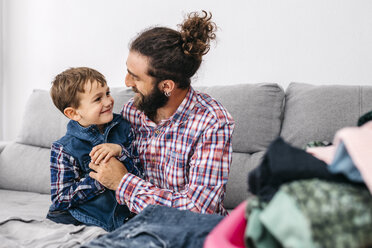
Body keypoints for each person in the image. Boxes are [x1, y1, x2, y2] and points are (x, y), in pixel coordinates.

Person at [89, 10, 235, 216]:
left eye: (136, 77)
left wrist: (123, 183)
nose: (127, 83)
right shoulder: (133, 110)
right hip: (136, 226)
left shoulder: (213, 122)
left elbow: (199, 209)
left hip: (189, 233)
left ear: (166, 86)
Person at [46, 67, 142, 231]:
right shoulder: (63, 148)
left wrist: (121, 152)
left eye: (107, 93)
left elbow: (141, 171)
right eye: (98, 99)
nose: (108, 101)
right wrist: (101, 179)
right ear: (74, 113)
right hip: (79, 218)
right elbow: (61, 198)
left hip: (123, 218)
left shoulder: (125, 127)